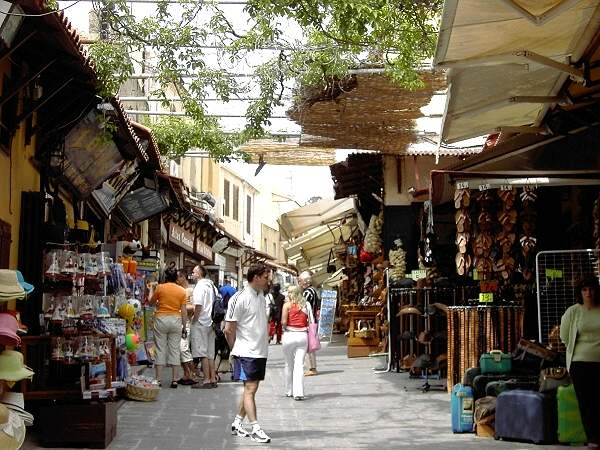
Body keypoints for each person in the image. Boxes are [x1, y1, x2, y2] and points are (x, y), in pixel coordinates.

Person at [224, 263, 272, 443]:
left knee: (250, 390)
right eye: (266, 277)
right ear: (256, 277)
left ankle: (237, 422)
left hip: (259, 351)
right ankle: (255, 428)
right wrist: (235, 350)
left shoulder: (261, 296)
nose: (268, 281)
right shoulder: (240, 297)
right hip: (246, 352)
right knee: (250, 389)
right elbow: (229, 329)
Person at [560, 275, 600, 450]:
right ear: (580, 292)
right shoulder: (573, 311)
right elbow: (563, 335)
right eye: (584, 289)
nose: (588, 293)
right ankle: (593, 438)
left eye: (591, 289)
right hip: (580, 362)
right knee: (586, 402)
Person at [149, 266, 187, 388]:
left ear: (165, 277)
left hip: (161, 319)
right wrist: (184, 326)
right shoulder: (182, 291)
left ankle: (158, 379)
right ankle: (174, 379)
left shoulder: (160, 288)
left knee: (160, 349)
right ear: (176, 277)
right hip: (176, 320)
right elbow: (184, 311)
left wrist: (151, 289)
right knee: (175, 349)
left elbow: (151, 301)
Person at [281, 285, 312, 400]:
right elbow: (310, 321)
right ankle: (298, 392)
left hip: (289, 335)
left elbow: (283, 322)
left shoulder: (287, 306)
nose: (288, 294)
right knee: (299, 364)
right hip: (303, 336)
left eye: (289, 292)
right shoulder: (306, 305)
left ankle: (289, 390)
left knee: (289, 364)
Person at [190, 265, 218, 389]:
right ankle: (212, 378)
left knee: (202, 353)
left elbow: (198, 305)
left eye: (194, 272)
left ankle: (206, 380)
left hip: (201, 322)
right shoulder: (212, 286)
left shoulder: (200, 287)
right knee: (210, 353)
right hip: (211, 323)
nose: (192, 273)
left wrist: (194, 320)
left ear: (200, 274)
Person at [176, 270, 198, 385]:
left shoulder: (190, 291)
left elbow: (193, 308)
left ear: (183, 277)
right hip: (178, 323)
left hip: (186, 323)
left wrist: (180, 309)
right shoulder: (179, 290)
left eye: (178, 277)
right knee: (179, 350)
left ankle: (193, 374)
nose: (176, 280)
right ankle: (186, 374)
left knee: (183, 348)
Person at [298, 271, 320, 376]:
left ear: (305, 282)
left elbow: (302, 306)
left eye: (300, 281)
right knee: (309, 345)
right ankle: (312, 367)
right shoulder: (313, 290)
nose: (299, 283)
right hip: (312, 320)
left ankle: (312, 368)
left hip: (309, 321)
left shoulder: (308, 292)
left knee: (309, 346)